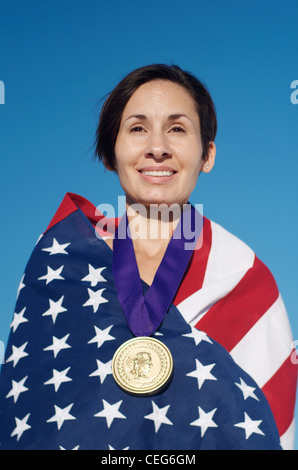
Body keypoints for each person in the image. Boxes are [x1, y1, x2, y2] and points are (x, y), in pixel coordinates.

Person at [0, 64, 296, 450]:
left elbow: (267, 430)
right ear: (110, 153)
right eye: (138, 128)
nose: (158, 147)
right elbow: (34, 415)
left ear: (207, 154)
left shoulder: (244, 277)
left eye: (177, 128)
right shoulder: (64, 261)